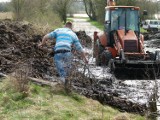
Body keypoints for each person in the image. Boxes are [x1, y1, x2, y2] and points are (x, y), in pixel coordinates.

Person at [38, 21, 88, 90]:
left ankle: (63, 84)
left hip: (58, 52)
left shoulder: (58, 30)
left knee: (61, 71)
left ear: (65, 26)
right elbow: (80, 48)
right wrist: (85, 58)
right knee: (68, 70)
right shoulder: (73, 34)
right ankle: (67, 86)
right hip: (67, 52)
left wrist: (42, 44)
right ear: (71, 28)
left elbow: (45, 36)